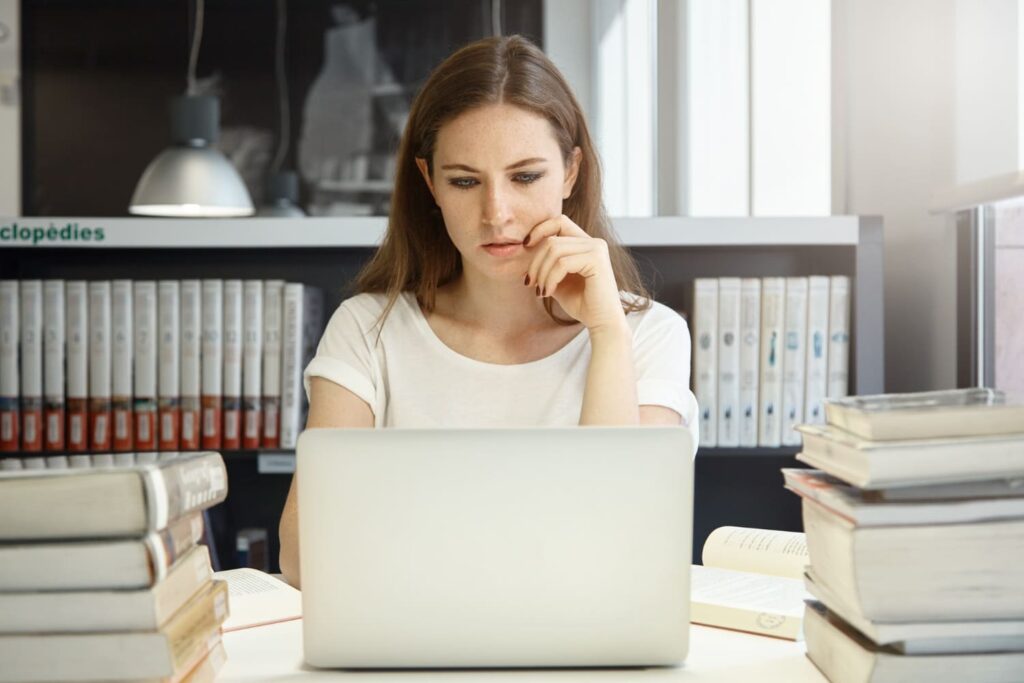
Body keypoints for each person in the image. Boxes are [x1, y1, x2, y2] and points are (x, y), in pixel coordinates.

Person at [278, 34, 698, 587]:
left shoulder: (648, 335)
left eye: (525, 177)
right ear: (430, 183)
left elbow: (625, 544)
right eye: (464, 181)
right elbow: (305, 559)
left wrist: (607, 334)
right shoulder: (368, 329)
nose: (495, 213)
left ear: (570, 173)